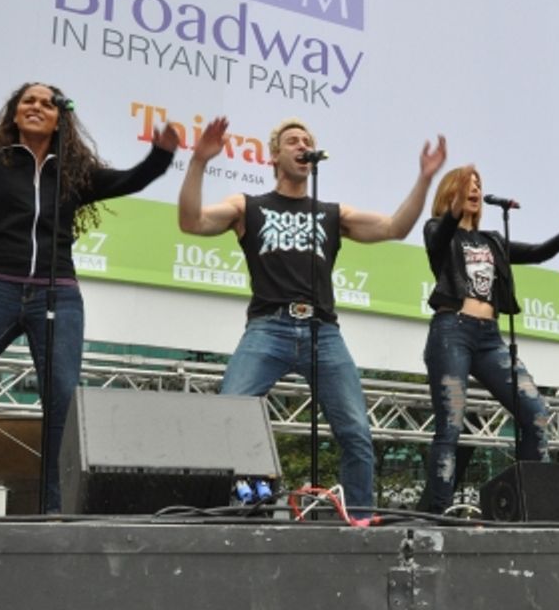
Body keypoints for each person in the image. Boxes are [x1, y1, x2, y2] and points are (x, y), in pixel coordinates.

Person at [0, 54, 179, 515]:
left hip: (58, 295)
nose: (37, 106)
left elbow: (134, 178)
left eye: (48, 103)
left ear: (59, 119)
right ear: (14, 113)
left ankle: (55, 509)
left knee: (62, 405)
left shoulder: (72, 174)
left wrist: (162, 153)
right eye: (28, 100)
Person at [179, 116, 446, 518]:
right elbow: (191, 221)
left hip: (323, 331)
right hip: (268, 327)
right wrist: (199, 161)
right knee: (228, 417)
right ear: (274, 156)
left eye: (306, 140)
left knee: (356, 432)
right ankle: (230, 513)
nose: (301, 145)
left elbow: (394, 227)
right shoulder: (247, 206)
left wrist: (425, 179)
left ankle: (357, 517)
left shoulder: (331, 213)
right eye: (292, 140)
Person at [418, 165, 559, 514]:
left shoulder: (493, 240)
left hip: (490, 338)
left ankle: (529, 507)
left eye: (478, 185)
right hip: (452, 332)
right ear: (450, 193)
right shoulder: (437, 231)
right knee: (451, 424)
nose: (475, 189)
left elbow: (539, 252)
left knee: (535, 413)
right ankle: (438, 513)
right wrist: (455, 207)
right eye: (466, 185)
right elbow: (443, 230)